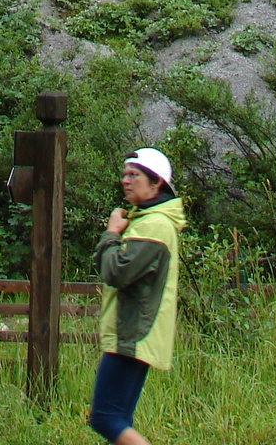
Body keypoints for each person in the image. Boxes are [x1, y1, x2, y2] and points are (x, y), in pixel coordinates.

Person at [88, 146, 186, 445]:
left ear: (156, 183)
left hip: (132, 334)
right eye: (124, 174)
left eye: (135, 175)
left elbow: (116, 272)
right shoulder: (146, 220)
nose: (126, 180)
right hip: (132, 334)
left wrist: (111, 234)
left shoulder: (154, 225)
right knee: (118, 418)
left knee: (105, 417)